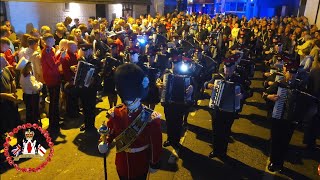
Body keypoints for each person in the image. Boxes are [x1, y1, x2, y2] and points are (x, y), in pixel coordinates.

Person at [98, 63, 162, 180]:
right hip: (121, 163)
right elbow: (110, 133)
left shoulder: (151, 118)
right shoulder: (115, 113)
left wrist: (154, 162)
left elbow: (155, 145)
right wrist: (105, 142)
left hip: (140, 165)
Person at [205, 61, 245, 159]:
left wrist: (242, 95)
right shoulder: (217, 77)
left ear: (233, 69)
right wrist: (208, 85)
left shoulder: (238, 79)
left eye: (230, 69)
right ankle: (215, 150)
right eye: (226, 68)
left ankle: (223, 152)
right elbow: (206, 83)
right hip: (217, 109)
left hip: (230, 111)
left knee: (225, 132)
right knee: (216, 131)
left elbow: (248, 91)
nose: (228, 71)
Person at [157, 55, 194, 148]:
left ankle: (176, 140)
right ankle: (170, 139)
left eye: (177, 63)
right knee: (169, 122)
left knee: (178, 123)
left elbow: (193, 84)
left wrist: (191, 88)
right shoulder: (166, 72)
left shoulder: (186, 73)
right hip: (168, 102)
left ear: (180, 63)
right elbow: (158, 80)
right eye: (173, 63)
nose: (175, 65)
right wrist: (158, 84)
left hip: (180, 103)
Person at [41, 33, 61, 134]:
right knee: (54, 101)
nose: (54, 40)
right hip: (52, 79)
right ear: (48, 41)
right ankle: (53, 124)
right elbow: (53, 65)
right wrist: (61, 57)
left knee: (55, 101)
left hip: (53, 78)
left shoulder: (50, 50)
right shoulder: (47, 51)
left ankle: (55, 122)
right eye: (52, 39)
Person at [16, 57, 43, 124]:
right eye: (30, 66)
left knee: (29, 111)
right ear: (27, 67)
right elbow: (34, 87)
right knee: (33, 112)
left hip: (27, 96)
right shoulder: (27, 78)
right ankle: (33, 126)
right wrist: (40, 84)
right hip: (32, 97)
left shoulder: (24, 75)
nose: (32, 66)